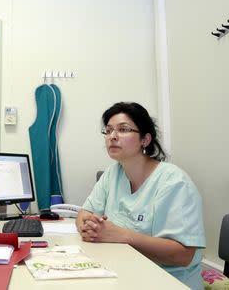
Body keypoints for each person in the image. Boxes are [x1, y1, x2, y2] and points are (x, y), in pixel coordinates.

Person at [76, 102, 206, 290]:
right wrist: (88, 227)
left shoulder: (174, 182)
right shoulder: (113, 173)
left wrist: (121, 235)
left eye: (123, 129)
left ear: (145, 140)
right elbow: (84, 213)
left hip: (168, 280)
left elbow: (183, 255)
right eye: (109, 130)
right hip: (124, 271)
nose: (112, 136)